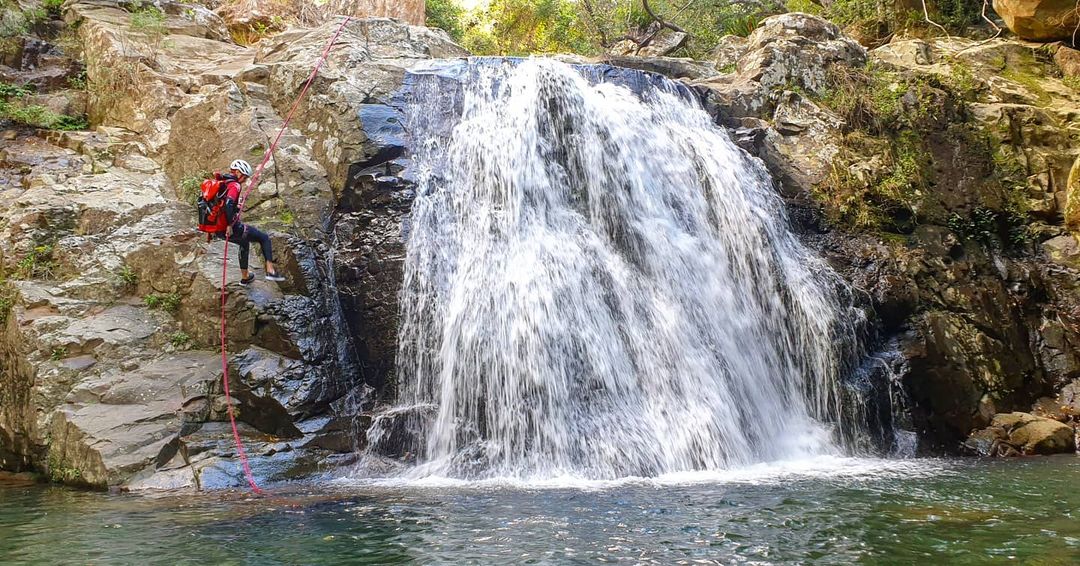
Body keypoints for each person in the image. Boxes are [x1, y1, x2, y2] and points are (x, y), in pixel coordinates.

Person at [216, 159, 286, 285]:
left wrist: (236, 208)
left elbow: (224, 205)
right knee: (264, 238)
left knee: (244, 242)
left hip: (217, 228)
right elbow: (228, 204)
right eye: (244, 177)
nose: (245, 180)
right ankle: (270, 271)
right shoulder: (235, 185)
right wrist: (229, 225)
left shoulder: (222, 182)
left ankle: (246, 277)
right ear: (238, 172)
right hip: (229, 227)